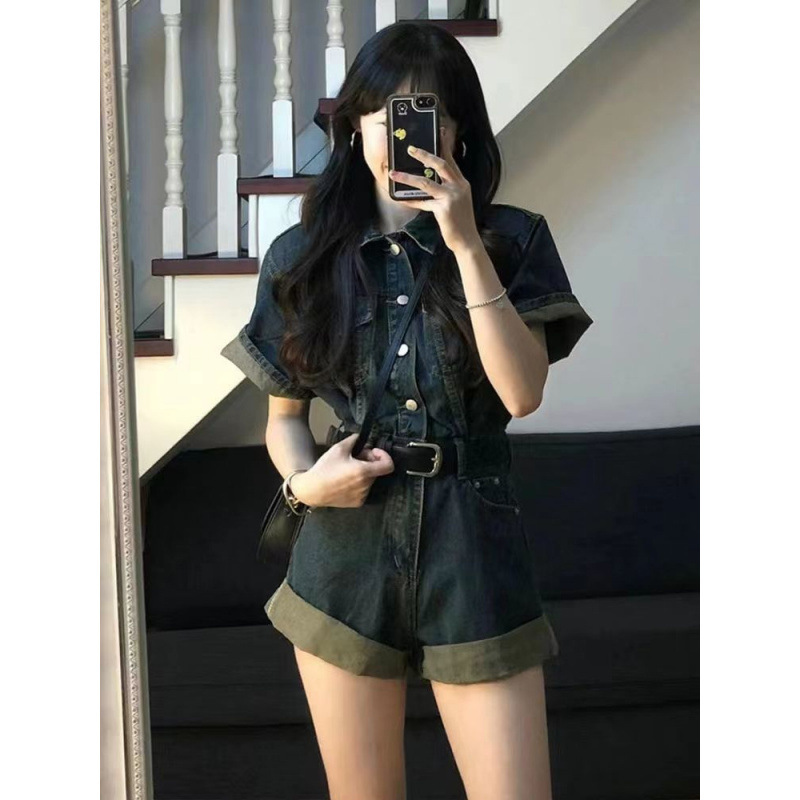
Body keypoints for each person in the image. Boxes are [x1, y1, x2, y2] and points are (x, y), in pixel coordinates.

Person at [220, 19, 593, 800]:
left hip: (473, 552)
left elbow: (521, 393)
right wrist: (306, 485)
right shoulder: (301, 258)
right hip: (342, 557)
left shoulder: (512, 240)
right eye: (386, 113)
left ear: (459, 132)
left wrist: (465, 243)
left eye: (431, 115)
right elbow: (284, 419)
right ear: (355, 128)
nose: (406, 134)